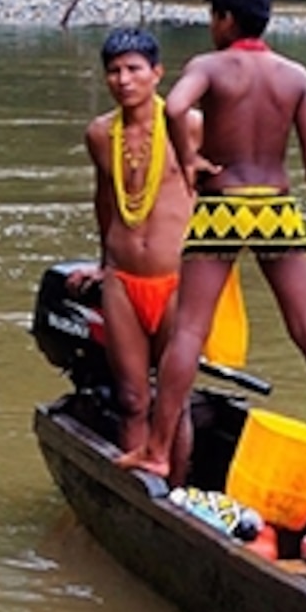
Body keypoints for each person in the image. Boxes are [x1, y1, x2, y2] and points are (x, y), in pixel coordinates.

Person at [145, 0, 306, 481]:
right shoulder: (295, 76)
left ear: (225, 19)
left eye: (212, 18)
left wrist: (190, 159)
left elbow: (175, 106)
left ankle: (157, 451)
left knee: (190, 332)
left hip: (224, 204)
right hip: (276, 208)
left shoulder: (210, 66)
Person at [83, 26, 197, 476]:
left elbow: (213, 192)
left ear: (157, 73)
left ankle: (179, 498)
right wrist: (101, 262)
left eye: (133, 69)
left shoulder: (187, 124)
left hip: (177, 279)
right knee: (131, 398)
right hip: (122, 277)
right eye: (113, 71)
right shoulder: (99, 134)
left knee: (175, 402)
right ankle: (138, 498)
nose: (123, 80)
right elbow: (105, 201)